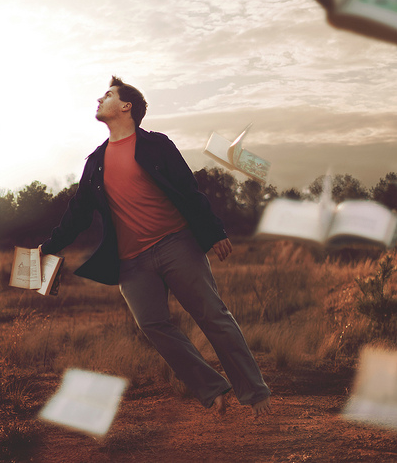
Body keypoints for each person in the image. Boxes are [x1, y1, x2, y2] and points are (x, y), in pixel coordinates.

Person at [39, 76, 271, 417]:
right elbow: (77, 214)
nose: (99, 100)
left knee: (213, 317)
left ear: (126, 106)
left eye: (107, 95)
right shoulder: (96, 162)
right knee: (152, 325)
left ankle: (254, 392)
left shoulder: (157, 145)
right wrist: (49, 246)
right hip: (131, 263)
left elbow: (188, 190)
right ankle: (211, 387)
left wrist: (214, 231)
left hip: (176, 244)